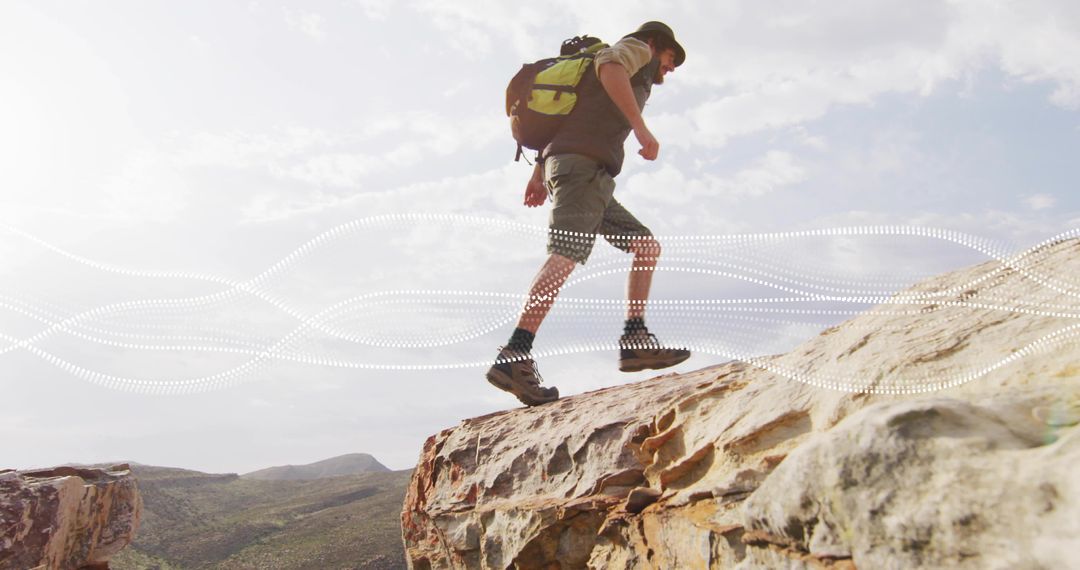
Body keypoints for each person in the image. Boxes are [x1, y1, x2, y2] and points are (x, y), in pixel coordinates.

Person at [486, 21, 691, 406]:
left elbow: (566, 124)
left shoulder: (621, 66)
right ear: (655, 44)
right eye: (671, 57)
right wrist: (641, 128)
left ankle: (635, 339)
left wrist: (538, 172)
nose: (672, 67)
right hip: (582, 170)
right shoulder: (637, 50)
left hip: (587, 174)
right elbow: (610, 66)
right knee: (565, 254)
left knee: (646, 246)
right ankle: (514, 354)